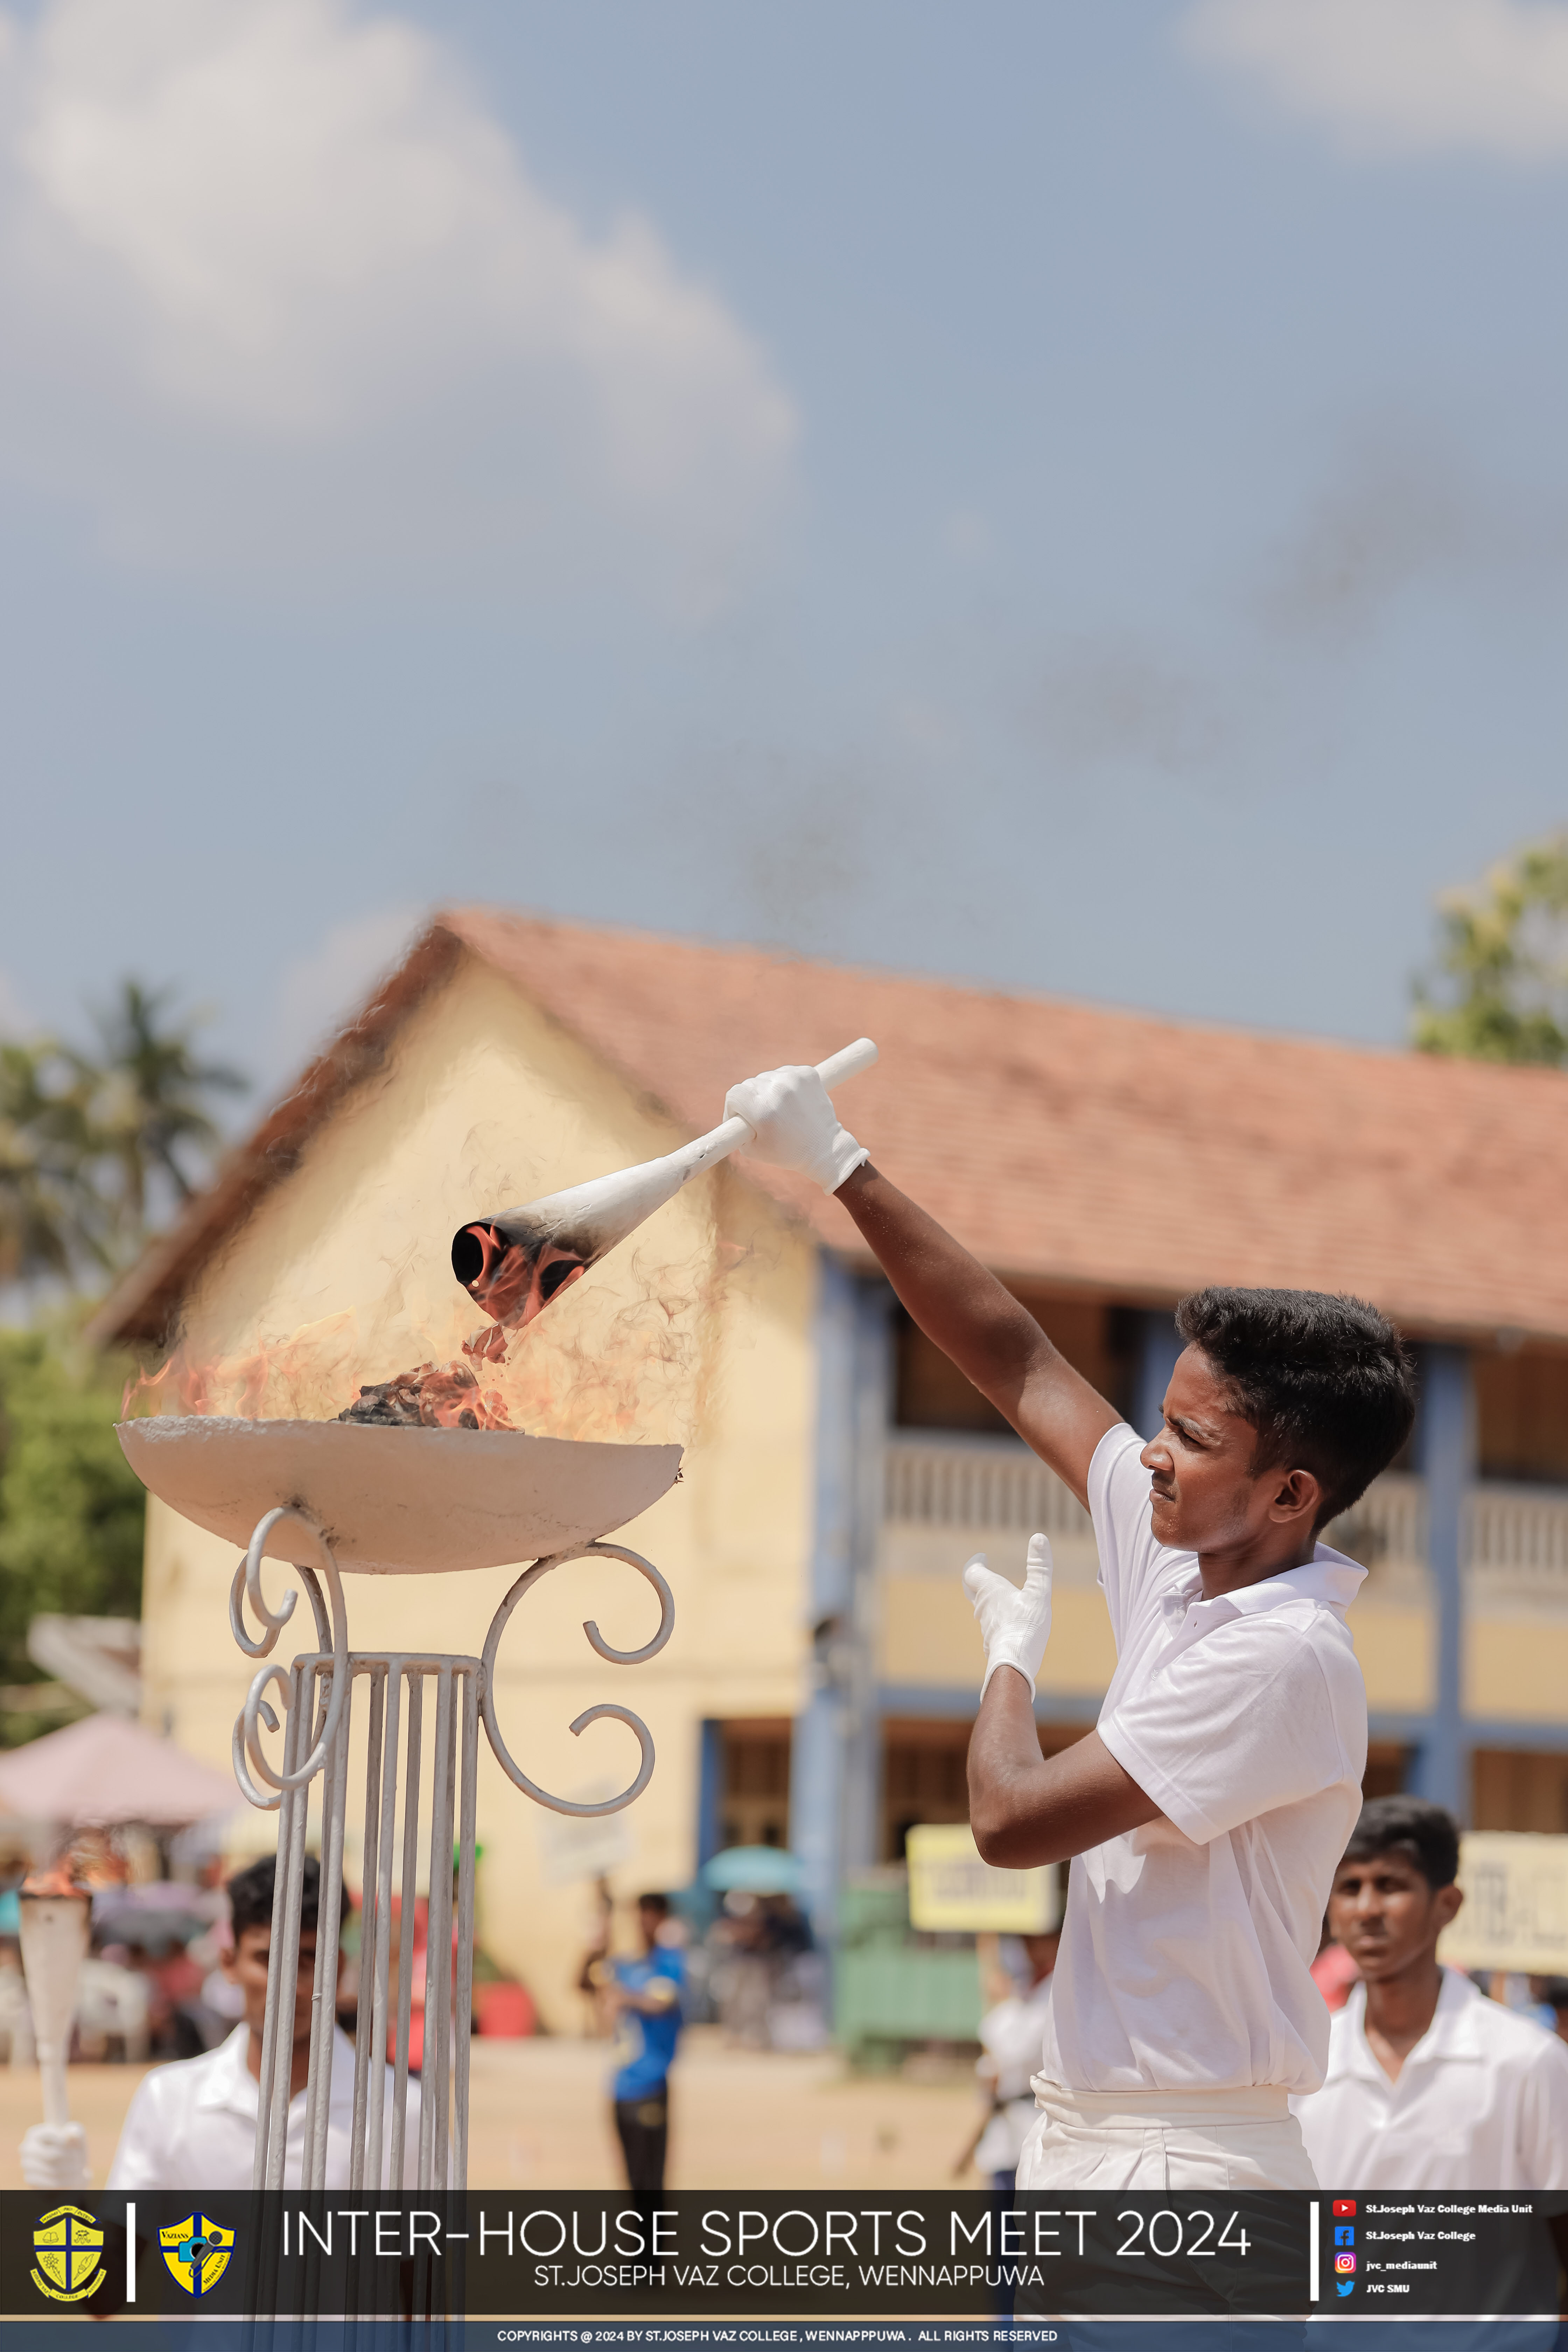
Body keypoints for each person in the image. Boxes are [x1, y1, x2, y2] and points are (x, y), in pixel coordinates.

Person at [724, 1060, 1418, 2189]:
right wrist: (840, 1166)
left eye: (1191, 1440)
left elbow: (1006, 1818)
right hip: (1102, 2142)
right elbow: (1017, 1360)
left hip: (1187, 2163)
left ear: (1289, 1494)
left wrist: (1008, 1662)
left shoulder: (1277, 1654)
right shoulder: (1183, 1560)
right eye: (1160, 1420)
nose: (1151, 1452)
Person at [21, 1854, 420, 2191]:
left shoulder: (403, 2111)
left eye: (309, 1960)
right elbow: (104, 2282)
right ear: (229, 1963)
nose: (293, 1986)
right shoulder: (171, 2102)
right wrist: (65, 2207)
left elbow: (426, 2281)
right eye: (267, 1961)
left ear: (340, 1968)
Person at [1293, 1795, 1568, 2190]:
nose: (1366, 1910)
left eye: (1390, 1886)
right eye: (1349, 1888)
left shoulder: (1527, 2063)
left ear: (1447, 1905)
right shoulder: (1302, 2067)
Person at [600, 1891, 684, 2197]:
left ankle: (654, 2246)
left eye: (652, 1914)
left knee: (651, 2185)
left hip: (651, 2085)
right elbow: (585, 1982)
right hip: (621, 2086)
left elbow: (661, 2001)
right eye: (640, 1913)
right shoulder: (624, 1965)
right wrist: (599, 1934)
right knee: (633, 2183)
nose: (644, 1921)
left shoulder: (669, 1962)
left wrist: (624, 1998)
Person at [970, 1931, 1060, 2192]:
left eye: (1034, 1940)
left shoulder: (1058, 1989)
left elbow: (1018, 2053)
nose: (1027, 1947)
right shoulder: (1025, 1990)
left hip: (1037, 2120)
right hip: (1006, 2132)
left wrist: (1001, 2006)